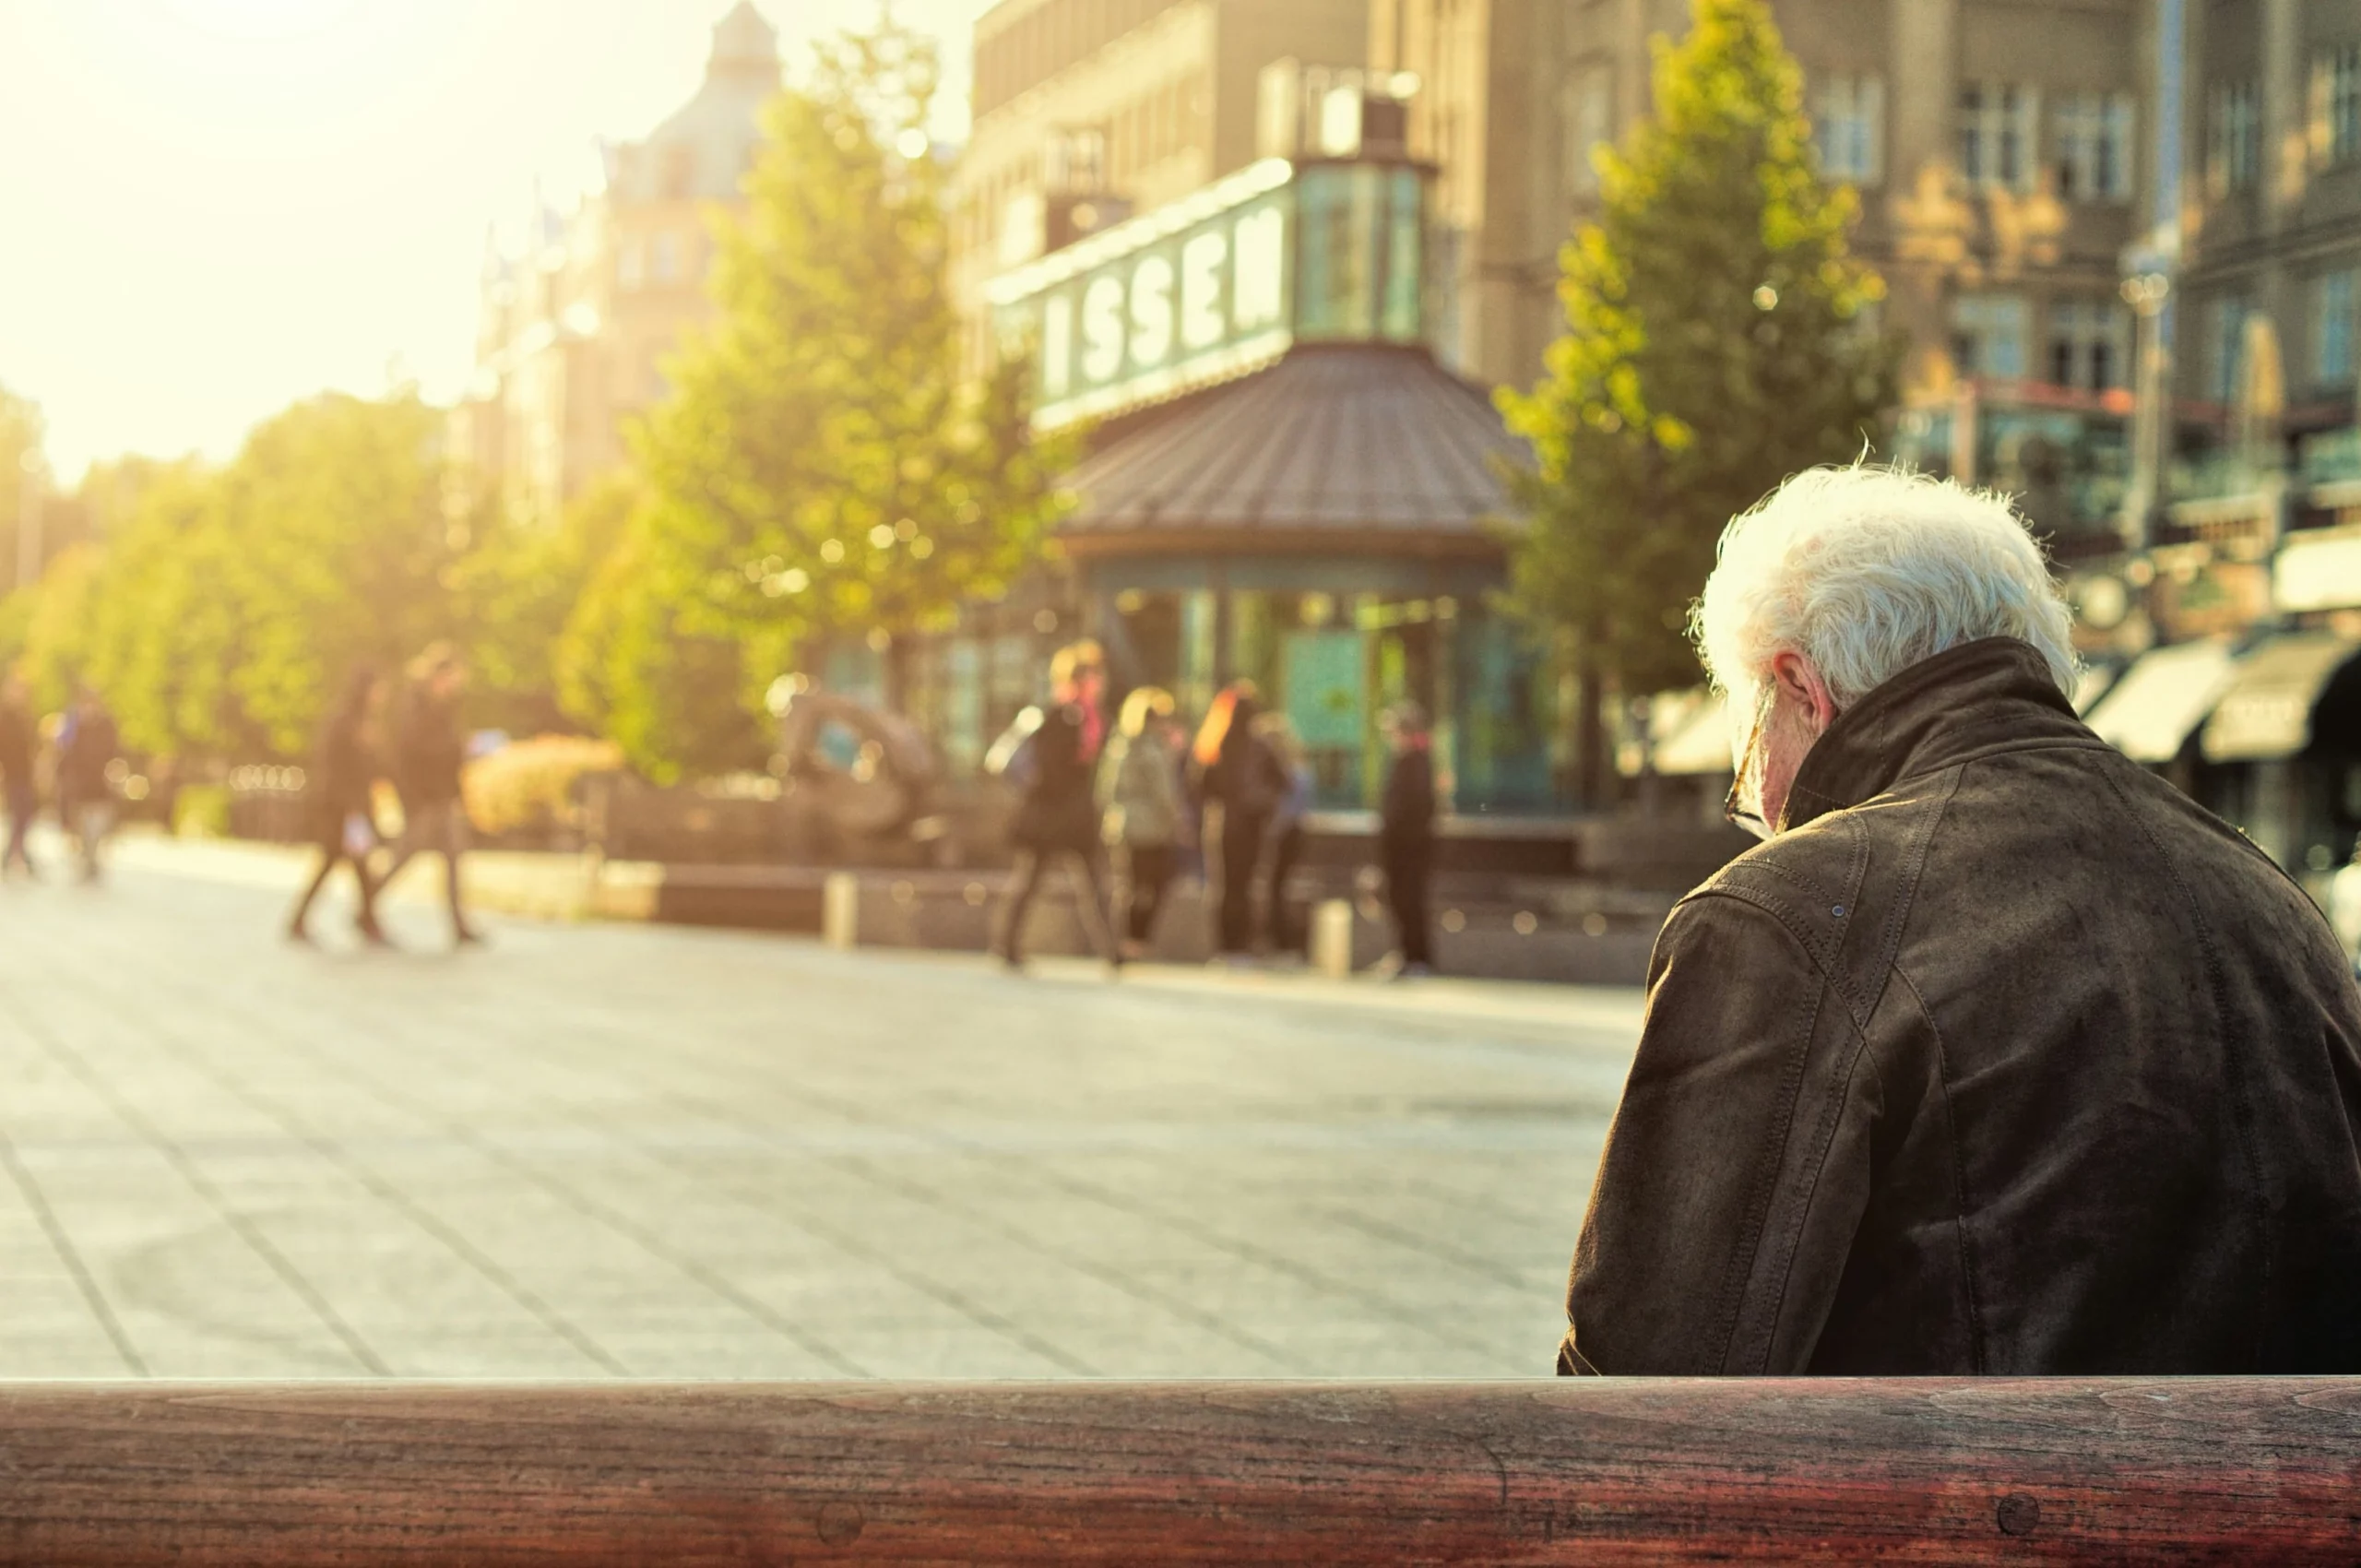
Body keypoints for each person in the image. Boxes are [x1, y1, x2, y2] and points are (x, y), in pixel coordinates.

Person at [1561, 465, 2361, 1377]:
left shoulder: (1788, 916)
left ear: (1801, 688)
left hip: (1944, 1515)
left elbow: (1647, 1382)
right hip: (2290, 1516)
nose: (1760, 801)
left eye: (1747, 750)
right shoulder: (2270, 900)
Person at [991, 640, 1121, 971]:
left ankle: (1112, 951)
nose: (1098, 683)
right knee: (1034, 880)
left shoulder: (1090, 718)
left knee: (1093, 883)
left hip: (1073, 816)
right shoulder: (1061, 716)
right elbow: (1053, 768)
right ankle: (1006, 945)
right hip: (1052, 816)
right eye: (1092, 676)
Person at [379, 645, 483, 946]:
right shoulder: (415, 707)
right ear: (440, 675)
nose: (457, 684)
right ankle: (367, 904)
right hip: (423, 798)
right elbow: (410, 754)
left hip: (443, 797)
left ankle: (459, 925)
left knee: (453, 857)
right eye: (454, 677)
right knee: (405, 855)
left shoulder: (445, 708)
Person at [287, 668, 391, 946]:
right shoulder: (346, 723)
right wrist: (351, 807)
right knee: (344, 862)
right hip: (343, 808)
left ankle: (365, 921)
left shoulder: (363, 722)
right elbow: (337, 768)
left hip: (352, 807)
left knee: (353, 864)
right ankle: (366, 922)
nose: (382, 696)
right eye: (378, 689)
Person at [1192, 682, 1284, 960]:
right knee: (1243, 885)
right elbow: (1282, 782)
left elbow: (1199, 786)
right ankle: (1240, 943)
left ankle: (1226, 945)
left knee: (1226, 885)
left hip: (1224, 824)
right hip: (1250, 825)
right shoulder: (1258, 746)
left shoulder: (1215, 743)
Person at [1098, 684, 1186, 961]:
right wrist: (1179, 820)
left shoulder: (1118, 746)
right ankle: (1137, 940)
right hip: (1152, 829)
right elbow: (1165, 794)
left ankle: (1124, 941)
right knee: (1154, 885)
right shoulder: (1152, 749)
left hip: (1122, 826)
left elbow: (1104, 791)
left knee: (1130, 884)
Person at [1377, 702, 1436, 977]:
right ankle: (1407, 953)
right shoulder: (1406, 761)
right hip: (1400, 844)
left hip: (1410, 845)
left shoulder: (1417, 762)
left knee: (1409, 898)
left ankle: (1416, 956)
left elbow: (1415, 808)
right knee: (1400, 898)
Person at [1255, 711, 1314, 958]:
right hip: (1287, 832)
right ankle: (1274, 939)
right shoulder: (1295, 770)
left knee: (1277, 886)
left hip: (1286, 833)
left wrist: (1272, 829)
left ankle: (1282, 941)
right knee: (1274, 886)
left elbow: (1292, 808)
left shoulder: (1293, 772)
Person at [53, 687, 119, 885]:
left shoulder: (106, 725)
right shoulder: (73, 725)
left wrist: (115, 770)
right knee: (80, 825)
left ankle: (92, 858)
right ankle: (85, 857)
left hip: (100, 783)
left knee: (98, 825)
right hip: (77, 784)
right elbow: (62, 751)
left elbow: (115, 751)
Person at [0, 673, 41, 879]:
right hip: (11, 775)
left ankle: (15, 854)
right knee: (19, 816)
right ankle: (14, 856)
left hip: (26, 775)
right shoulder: (4, 717)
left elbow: (32, 748)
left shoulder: (26, 716)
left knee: (25, 816)